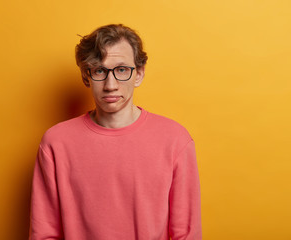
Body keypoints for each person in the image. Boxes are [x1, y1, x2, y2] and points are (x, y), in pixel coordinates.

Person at [29, 24, 202, 240]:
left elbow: (186, 233)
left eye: (121, 70)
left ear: (138, 74)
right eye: (100, 71)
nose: (111, 85)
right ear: (86, 76)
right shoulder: (56, 143)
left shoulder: (175, 140)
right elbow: (44, 233)